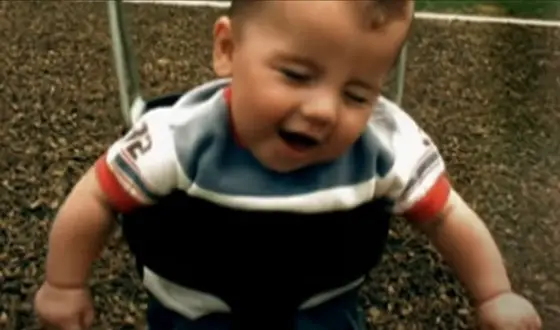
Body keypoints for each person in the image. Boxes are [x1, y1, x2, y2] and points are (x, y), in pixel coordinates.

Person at [34, 1, 542, 329]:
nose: (324, 110)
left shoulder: (385, 144)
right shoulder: (180, 138)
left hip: (322, 311)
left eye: (357, 92)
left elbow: (445, 214)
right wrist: (64, 284)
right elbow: (98, 195)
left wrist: (494, 292)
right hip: (198, 314)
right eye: (297, 75)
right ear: (227, 50)